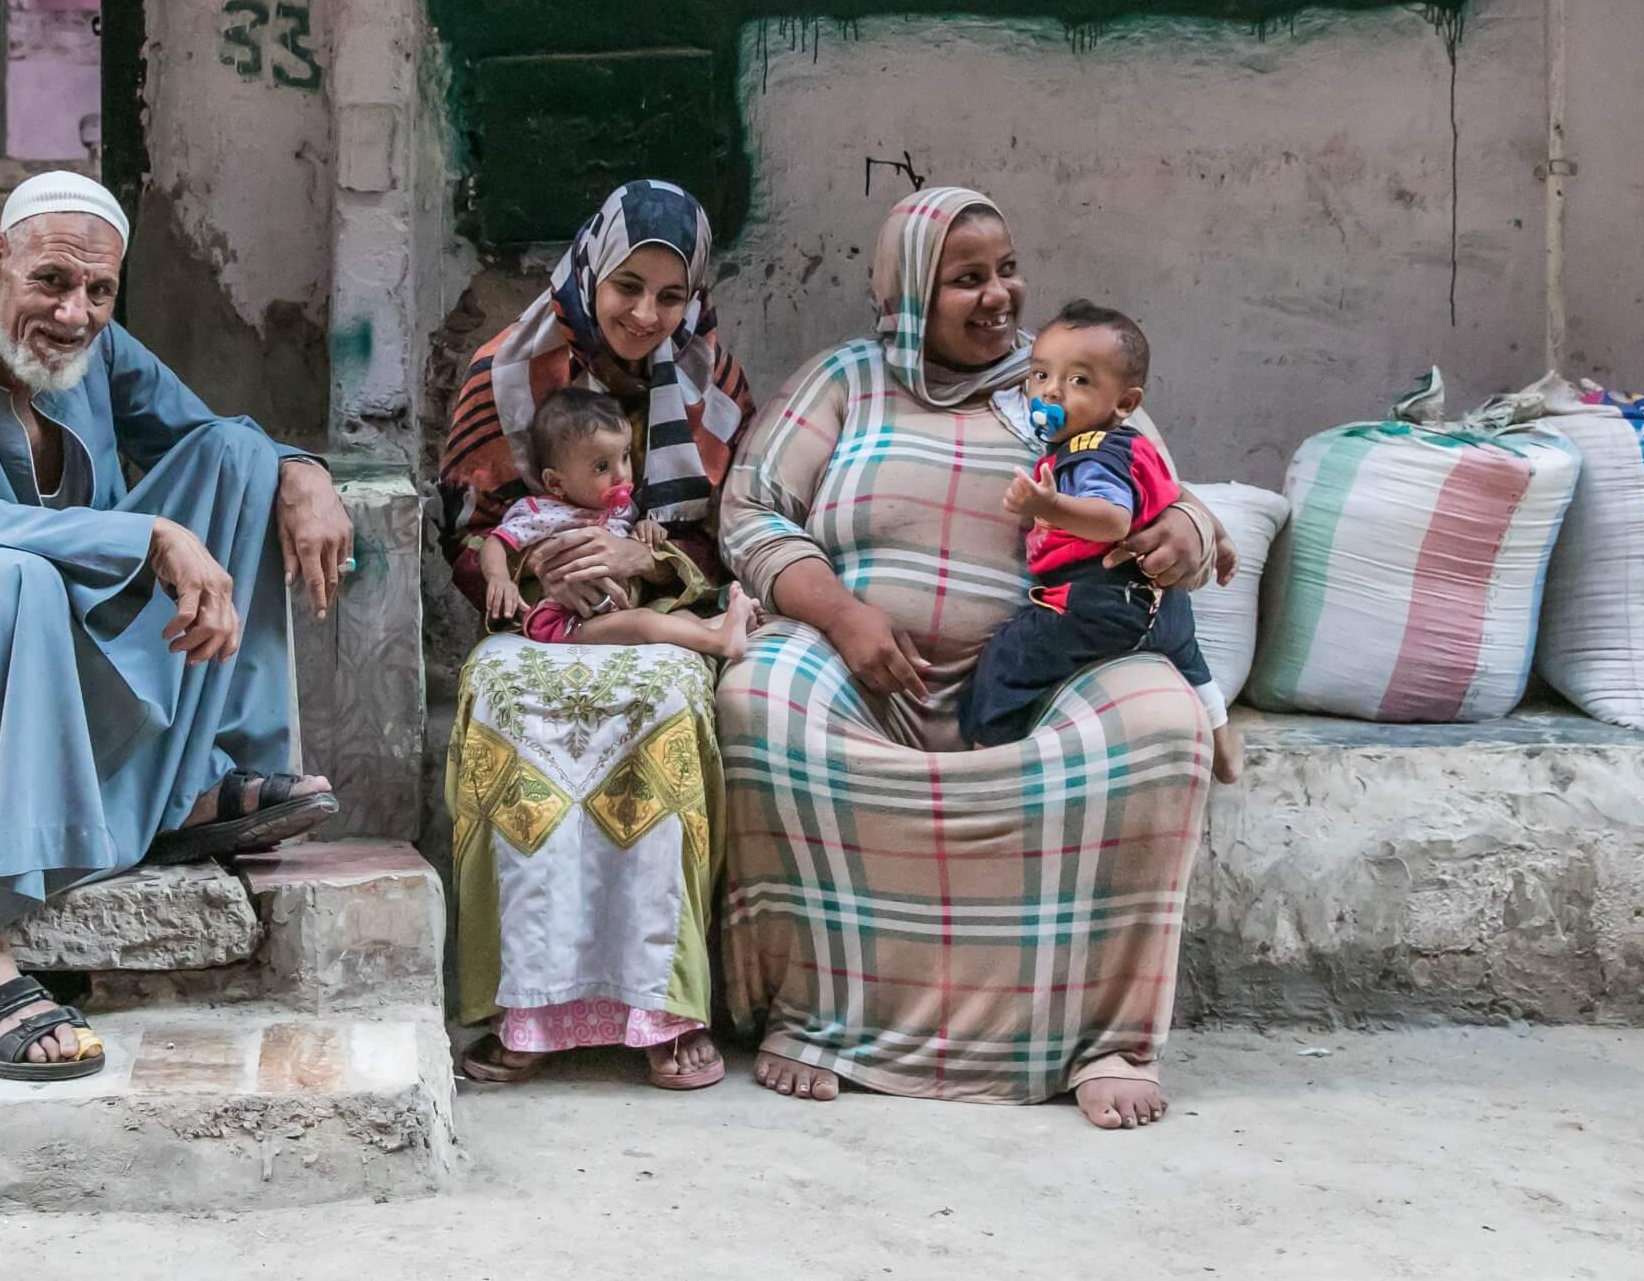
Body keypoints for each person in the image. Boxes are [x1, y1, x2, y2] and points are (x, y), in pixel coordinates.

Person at [0, 170, 355, 1081]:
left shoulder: (97, 347)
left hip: (43, 642)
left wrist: (300, 470)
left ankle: (194, 778)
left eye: (100, 290)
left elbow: (210, 435)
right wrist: (143, 534)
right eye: (53, 280)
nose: (76, 312)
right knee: (11, 573)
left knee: (235, 457)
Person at [716, 188, 1233, 1127]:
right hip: (872, 685)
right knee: (760, 698)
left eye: (1005, 270)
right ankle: (823, 1017)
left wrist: (1188, 534)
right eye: (966, 279)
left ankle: (1104, 1040)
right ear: (910, 291)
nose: (999, 295)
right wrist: (839, 614)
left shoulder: (1066, 377)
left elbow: (1172, 496)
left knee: (1163, 724)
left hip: (1044, 684)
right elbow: (750, 510)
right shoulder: (845, 382)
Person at [438, 181, 754, 1092]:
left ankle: (663, 1004)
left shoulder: (713, 387)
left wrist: (643, 559)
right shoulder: (506, 371)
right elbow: (466, 525)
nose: (647, 313)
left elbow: (733, 534)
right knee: (503, 700)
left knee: (661, 698)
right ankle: (524, 1004)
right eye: (628, 287)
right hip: (535, 624)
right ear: (589, 272)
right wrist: (543, 572)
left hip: (666, 617)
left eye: (669, 294)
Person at [967, 301, 1241, 782]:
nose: (1051, 391)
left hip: (1098, 601)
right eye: (1040, 375)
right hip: (1167, 607)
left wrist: (1048, 508)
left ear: (1126, 402)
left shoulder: (1089, 455)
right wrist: (1218, 538)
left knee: (1011, 656)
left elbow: (1111, 521)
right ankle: (1223, 747)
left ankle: (986, 762)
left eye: (1078, 381)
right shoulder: (1137, 446)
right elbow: (1178, 494)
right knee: (1196, 671)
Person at [479, 387, 758, 657]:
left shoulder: (622, 510)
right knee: (643, 623)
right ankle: (721, 642)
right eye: (601, 467)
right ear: (555, 482)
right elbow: (496, 541)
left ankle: (725, 624)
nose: (621, 475)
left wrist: (644, 530)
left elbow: (629, 538)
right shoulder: (542, 513)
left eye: (624, 456)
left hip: (617, 609)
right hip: (566, 620)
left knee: (676, 613)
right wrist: (499, 579)